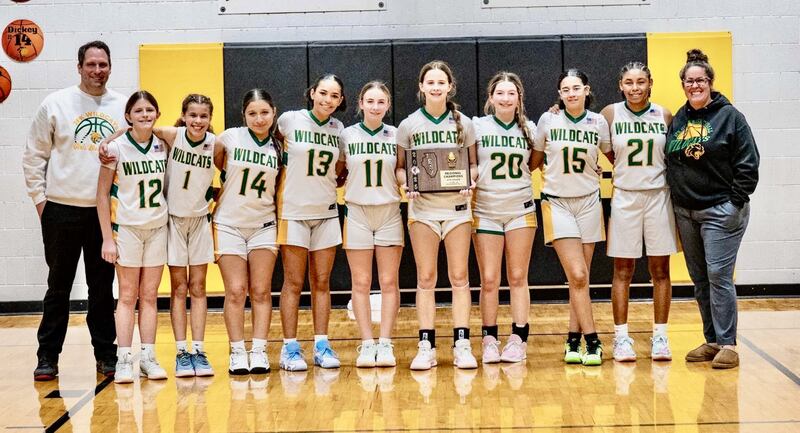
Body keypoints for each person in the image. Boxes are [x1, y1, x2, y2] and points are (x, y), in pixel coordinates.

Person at [22, 40, 126, 381]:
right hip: (61, 211)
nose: (98, 70)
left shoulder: (123, 106)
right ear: (79, 66)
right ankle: (47, 357)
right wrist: (42, 204)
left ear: (111, 66)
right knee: (58, 287)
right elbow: (34, 156)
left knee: (101, 288)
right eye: (91, 64)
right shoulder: (56, 103)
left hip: (103, 216)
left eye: (103, 64)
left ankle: (106, 355)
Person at [667, 49, 759, 369]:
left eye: (700, 80)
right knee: (700, 278)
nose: (695, 85)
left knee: (719, 275)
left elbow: (749, 165)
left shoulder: (730, 117)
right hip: (687, 212)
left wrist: (734, 202)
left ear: (710, 82)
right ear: (683, 84)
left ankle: (729, 344)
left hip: (721, 210)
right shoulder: (680, 118)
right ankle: (712, 340)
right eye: (689, 81)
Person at [396, 60, 478, 370]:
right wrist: (407, 186)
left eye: (440, 82)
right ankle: (426, 345)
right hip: (423, 211)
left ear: (449, 87)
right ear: (421, 87)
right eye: (429, 82)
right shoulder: (409, 125)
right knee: (426, 278)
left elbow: (472, 165)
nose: (435, 87)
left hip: (457, 209)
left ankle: (462, 344)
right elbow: (401, 168)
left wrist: (471, 181)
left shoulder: (464, 123)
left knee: (459, 278)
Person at [530, 69, 610, 366]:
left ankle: (572, 340)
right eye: (566, 89)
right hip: (558, 203)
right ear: (560, 94)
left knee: (582, 280)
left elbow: (614, 156)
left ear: (586, 90)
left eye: (577, 88)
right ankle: (593, 341)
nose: (572, 93)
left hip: (590, 202)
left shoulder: (599, 122)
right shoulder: (548, 120)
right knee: (577, 275)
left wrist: (596, 172)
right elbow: (534, 162)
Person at [600, 62, 678, 362]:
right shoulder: (610, 114)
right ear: (621, 85)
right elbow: (609, 153)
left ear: (650, 84)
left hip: (659, 196)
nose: (635, 87)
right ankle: (621, 338)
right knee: (623, 270)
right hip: (625, 197)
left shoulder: (665, 114)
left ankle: (660, 336)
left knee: (660, 271)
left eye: (641, 82)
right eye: (629, 82)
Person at [97, 90, 169, 384]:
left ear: (157, 114)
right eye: (138, 111)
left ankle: (148, 358)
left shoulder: (164, 145)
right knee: (127, 296)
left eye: (149, 110)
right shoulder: (115, 149)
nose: (144, 115)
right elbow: (101, 195)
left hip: (156, 228)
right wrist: (107, 238)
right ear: (128, 116)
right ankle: (124, 358)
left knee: (150, 296)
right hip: (125, 229)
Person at [276, 75, 346, 371]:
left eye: (334, 96)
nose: (327, 100)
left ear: (340, 101)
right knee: (292, 282)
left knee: (321, 282)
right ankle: (289, 347)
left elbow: (340, 166)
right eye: (323, 93)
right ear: (312, 93)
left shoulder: (338, 128)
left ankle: (321, 344)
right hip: (293, 212)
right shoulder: (289, 120)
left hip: (327, 212)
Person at [213, 89, 282, 375]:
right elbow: (213, 161)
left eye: (264, 112)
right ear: (244, 115)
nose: (259, 118)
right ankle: (237, 351)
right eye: (252, 113)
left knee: (261, 290)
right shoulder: (230, 138)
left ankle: (259, 350)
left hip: (264, 224)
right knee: (236, 291)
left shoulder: (279, 147)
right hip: (228, 223)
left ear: (273, 112)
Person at [472, 72, 537, 364]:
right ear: (491, 97)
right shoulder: (477, 127)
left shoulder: (531, 129)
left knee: (518, 276)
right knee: (488, 278)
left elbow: (537, 163)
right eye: (500, 93)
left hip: (520, 209)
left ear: (519, 98)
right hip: (485, 209)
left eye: (511, 93)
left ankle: (518, 338)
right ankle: (488, 338)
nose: (506, 98)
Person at [338, 81, 403, 367]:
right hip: (357, 211)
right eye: (370, 101)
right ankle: (366, 343)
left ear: (388, 105)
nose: (375, 106)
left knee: (389, 282)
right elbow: (338, 170)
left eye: (381, 102)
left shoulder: (398, 135)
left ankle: (386, 343)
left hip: (389, 211)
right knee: (361, 282)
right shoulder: (346, 135)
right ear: (361, 103)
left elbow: (404, 170)